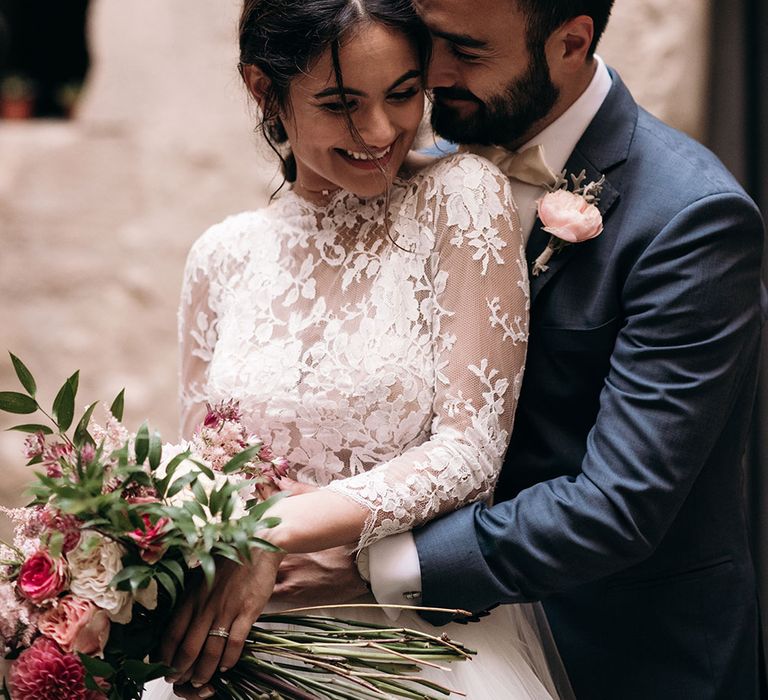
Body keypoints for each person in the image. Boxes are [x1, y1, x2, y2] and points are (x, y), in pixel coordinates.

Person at [304, 1, 763, 698]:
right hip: (400, 657)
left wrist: (371, 568)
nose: (432, 71)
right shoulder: (408, 169)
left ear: (570, 42)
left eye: (467, 51)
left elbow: (620, 501)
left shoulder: (690, 220)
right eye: (429, 40)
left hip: (619, 654)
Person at [144, 0, 575, 698]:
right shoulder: (221, 256)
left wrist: (266, 532)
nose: (380, 131)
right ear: (265, 91)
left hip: (406, 649)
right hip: (243, 646)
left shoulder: (462, 200)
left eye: (403, 94)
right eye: (342, 103)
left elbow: (468, 452)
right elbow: (204, 459)